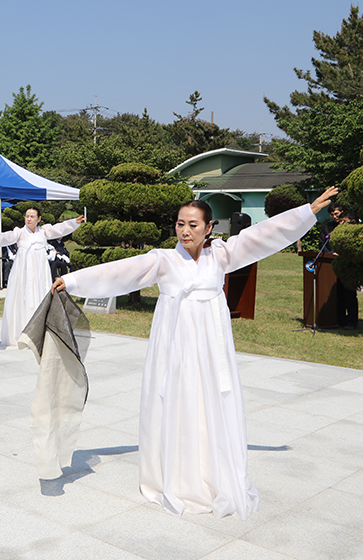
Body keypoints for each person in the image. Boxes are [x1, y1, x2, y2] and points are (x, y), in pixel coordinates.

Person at [51, 186, 339, 519]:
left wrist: (306, 211)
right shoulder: (163, 260)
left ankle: (210, 471)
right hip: (174, 344)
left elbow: (264, 234)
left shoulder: (222, 254)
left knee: (211, 400)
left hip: (211, 344)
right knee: (176, 398)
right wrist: (73, 281)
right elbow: (120, 271)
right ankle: (176, 474)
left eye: (193, 225)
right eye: (179, 224)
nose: (185, 231)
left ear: (209, 228)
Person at [0, 207, 83, 347]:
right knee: (23, 298)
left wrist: (74, 222)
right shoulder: (19, 232)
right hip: (23, 272)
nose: (29, 219)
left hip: (40, 273)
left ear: (39, 219)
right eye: (27, 216)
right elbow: (6, 236)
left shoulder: (43, 231)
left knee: (40, 297)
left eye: (32, 216)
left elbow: (59, 228)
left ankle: (39, 334)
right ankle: (21, 334)